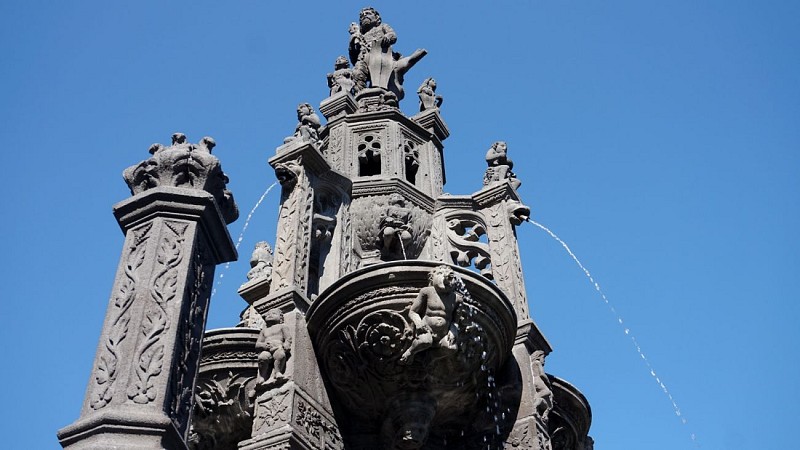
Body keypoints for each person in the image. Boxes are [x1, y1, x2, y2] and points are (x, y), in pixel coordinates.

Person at [399, 265, 461, 364]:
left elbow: (455, 320)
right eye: (440, 273)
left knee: (452, 348)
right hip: (427, 328)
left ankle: (432, 358)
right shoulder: (427, 291)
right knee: (425, 341)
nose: (445, 276)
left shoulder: (456, 298)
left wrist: (453, 330)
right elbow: (413, 312)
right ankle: (410, 352)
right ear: (431, 278)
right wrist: (418, 323)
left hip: (443, 332)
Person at [255, 308, 292, 386]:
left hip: (278, 347)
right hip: (267, 349)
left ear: (281, 317)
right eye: (268, 314)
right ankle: (262, 376)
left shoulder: (282, 327)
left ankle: (278, 372)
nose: (270, 315)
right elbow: (257, 344)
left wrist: (286, 344)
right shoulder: (264, 330)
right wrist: (263, 345)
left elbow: (288, 338)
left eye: (274, 314)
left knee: (280, 355)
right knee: (262, 357)